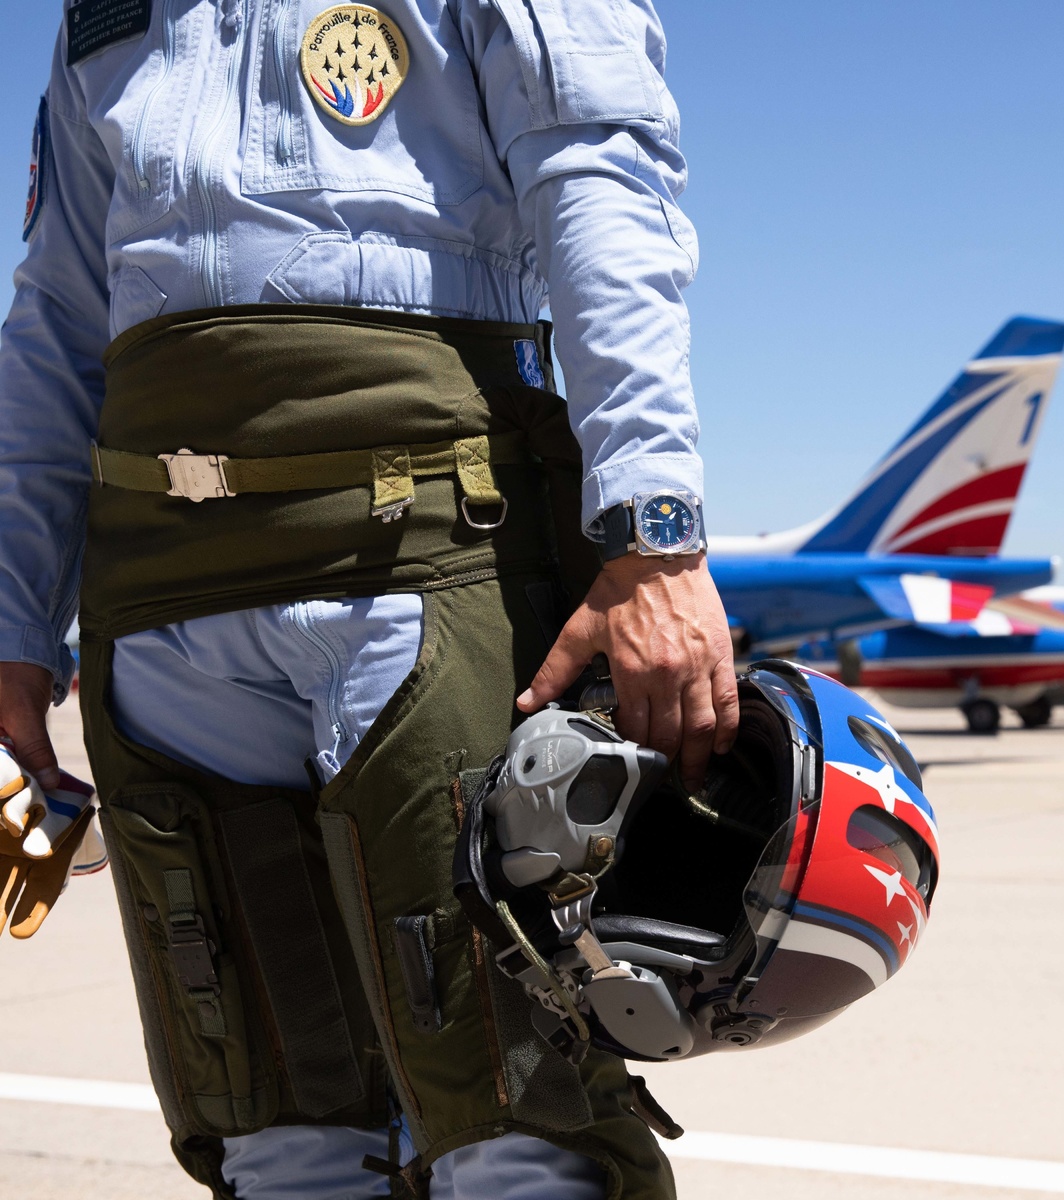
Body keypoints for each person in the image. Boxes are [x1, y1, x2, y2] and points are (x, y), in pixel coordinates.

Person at [0, 2, 735, 1196]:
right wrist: (12, 627)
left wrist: (653, 535)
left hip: (430, 558)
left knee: (517, 1113)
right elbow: (58, 315)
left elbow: (603, 187)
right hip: (161, 603)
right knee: (270, 1122)